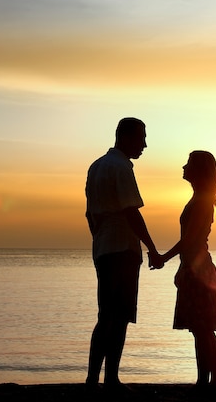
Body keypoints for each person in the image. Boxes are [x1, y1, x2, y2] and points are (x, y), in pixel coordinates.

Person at [85, 117, 162, 392]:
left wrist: (99, 238)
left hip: (104, 248)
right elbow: (132, 212)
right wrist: (152, 248)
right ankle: (110, 379)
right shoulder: (121, 168)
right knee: (118, 317)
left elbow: (89, 214)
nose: (144, 144)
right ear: (126, 137)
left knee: (106, 314)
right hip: (123, 249)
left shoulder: (96, 167)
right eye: (141, 138)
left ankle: (94, 378)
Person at [152, 150, 216, 392]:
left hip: (199, 268)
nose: (183, 167)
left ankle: (213, 381)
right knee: (198, 328)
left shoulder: (202, 200)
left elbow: (190, 239)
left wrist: (165, 258)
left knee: (203, 327)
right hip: (194, 265)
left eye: (189, 164)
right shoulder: (198, 199)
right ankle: (204, 380)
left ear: (199, 171)